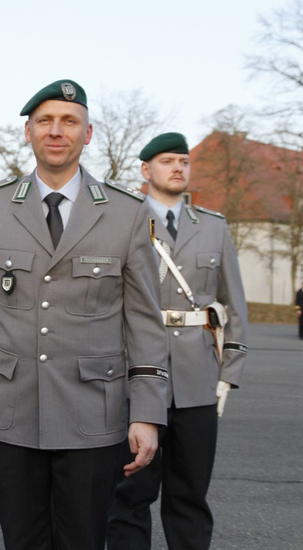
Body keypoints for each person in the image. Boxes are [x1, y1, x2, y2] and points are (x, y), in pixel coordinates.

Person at [0, 79, 169, 550]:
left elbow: (144, 320)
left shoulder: (127, 213)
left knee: (83, 539)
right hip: (10, 409)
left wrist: (146, 412)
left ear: (88, 134)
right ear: (28, 131)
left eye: (70, 121)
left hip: (93, 411)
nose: (56, 131)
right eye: (45, 121)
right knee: (21, 539)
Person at [107, 132, 249, 549]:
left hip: (197, 379)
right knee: (129, 494)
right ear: (146, 170)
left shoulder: (213, 227)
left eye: (184, 162)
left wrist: (229, 373)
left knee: (189, 495)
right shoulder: (124, 221)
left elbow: (234, 303)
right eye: (168, 161)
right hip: (135, 376)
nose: (178, 168)